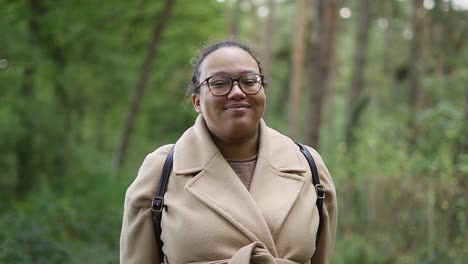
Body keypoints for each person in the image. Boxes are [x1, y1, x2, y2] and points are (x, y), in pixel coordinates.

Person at [120, 40, 337, 264]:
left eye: (249, 81)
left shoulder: (308, 166)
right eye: (220, 83)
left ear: (262, 90)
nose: (237, 92)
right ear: (197, 101)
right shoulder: (162, 170)